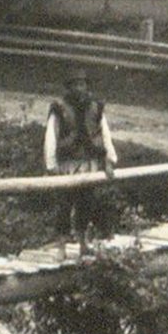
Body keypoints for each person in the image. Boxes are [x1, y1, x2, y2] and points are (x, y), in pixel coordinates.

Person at [43, 68, 118, 245]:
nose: (79, 88)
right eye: (75, 85)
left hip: (88, 163)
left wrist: (109, 160)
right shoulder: (60, 108)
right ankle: (62, 244)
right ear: (68, 88)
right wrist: (51, 165)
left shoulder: (95, 107)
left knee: (86, 202)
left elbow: (104, 134)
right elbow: (51, 136)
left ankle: (83, 243)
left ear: (87, 86)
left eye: (82, 84)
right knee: (65, 203)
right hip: (68, 164)